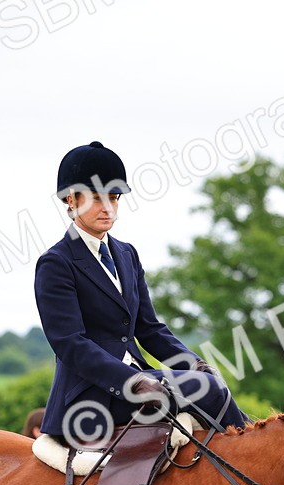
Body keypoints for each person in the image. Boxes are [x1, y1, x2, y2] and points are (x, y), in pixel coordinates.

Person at [34, 141, 247, 445]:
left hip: (142, 382)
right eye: (96, 198)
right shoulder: (57, 262)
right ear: (71, 199)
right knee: (209, 390)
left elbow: (148, 329)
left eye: (114, 197)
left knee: (209, 381)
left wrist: (193, 363)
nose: (108, 207)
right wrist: (131, 381)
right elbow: (71, 344)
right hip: (92, 396)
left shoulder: (126, 253)